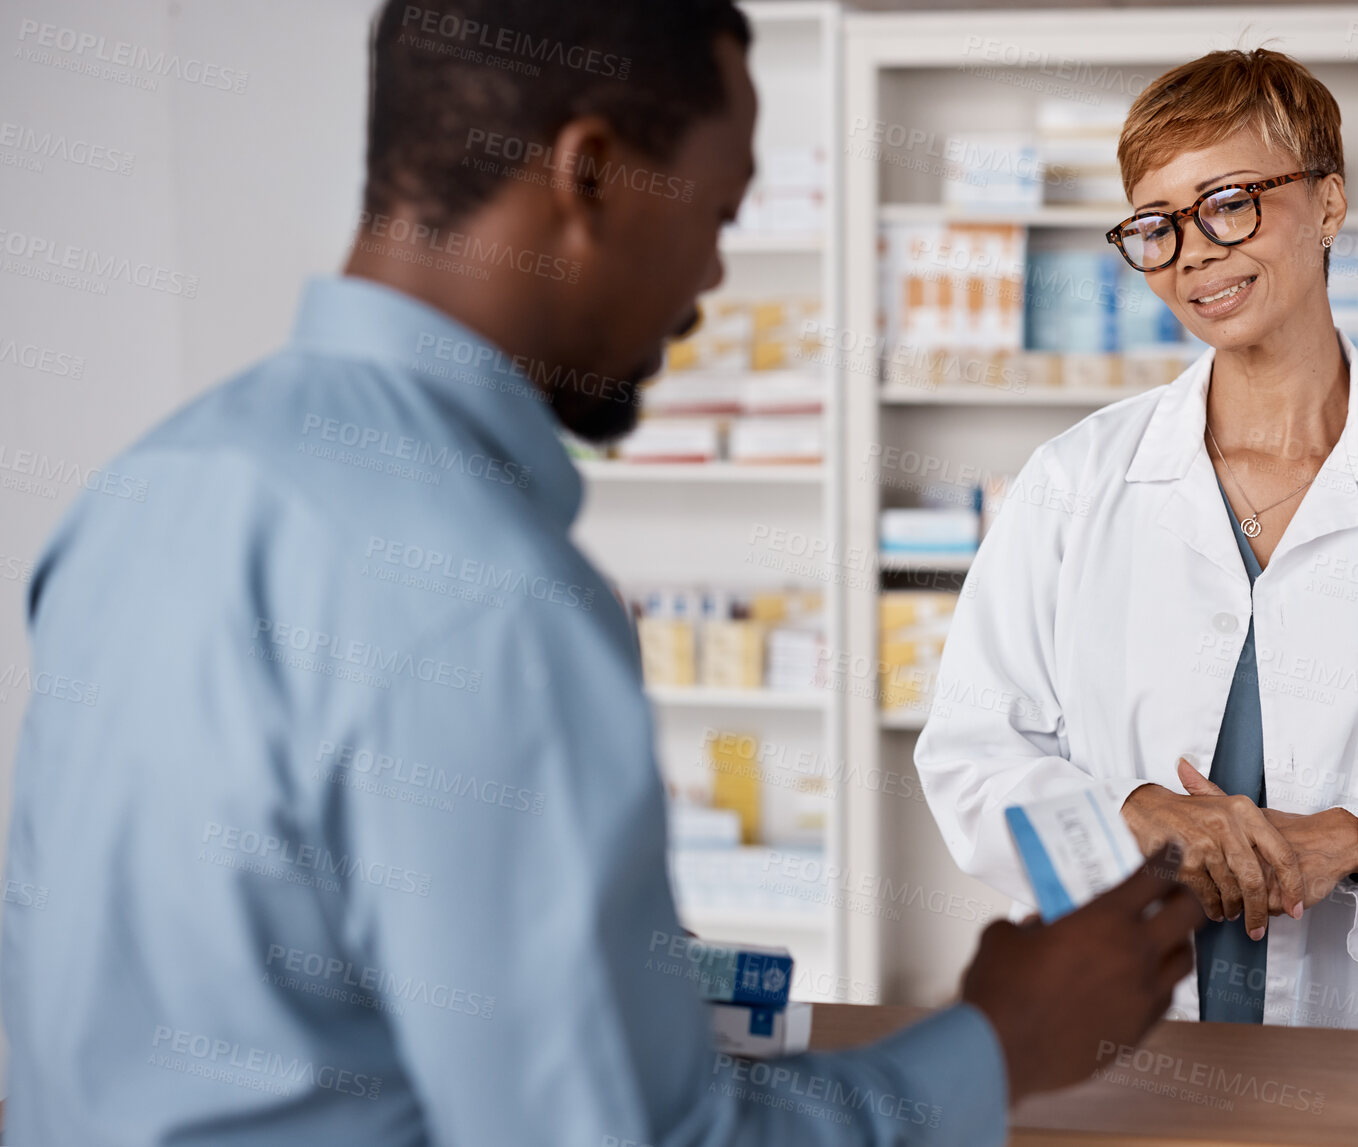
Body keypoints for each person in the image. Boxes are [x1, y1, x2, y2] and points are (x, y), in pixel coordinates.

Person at [0, 3, 1203, 1143]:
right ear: (588, 177)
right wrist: (998, 1041)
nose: (712, 282)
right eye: (717, 218)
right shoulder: (487, 598)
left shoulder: (151, 485)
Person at [915, 49, 1358, 1034]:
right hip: (1122, 1018)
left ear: (1327, 203)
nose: (1191, 252)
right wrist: (1129, 814)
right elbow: (973, 755)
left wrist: (1353, 837)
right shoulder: (1074, 481)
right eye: (1155, 225)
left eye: (1228, 202)